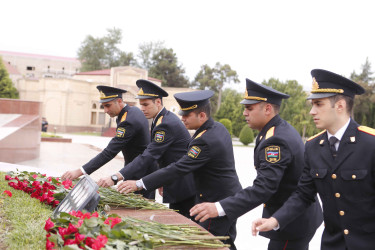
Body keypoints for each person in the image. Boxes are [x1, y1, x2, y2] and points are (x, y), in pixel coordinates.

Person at [190, 79, 323, 250]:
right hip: (295, 216)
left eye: (249, 108)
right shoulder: (275, 131)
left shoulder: (276, 139)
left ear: (267, 109)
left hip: (292, 222)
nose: (245, 113)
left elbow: (264, 187)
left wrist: (219, 207)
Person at [252, 69, 375, 250]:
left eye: (318, 104)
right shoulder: (313, 146)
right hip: (332, 244)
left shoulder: (370, 144)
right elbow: (303, 194)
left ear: (340, 105)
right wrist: (275, 220)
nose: (312, 111)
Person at [117, 90, 242, 249]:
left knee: (207, 244)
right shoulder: (218, 128)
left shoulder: (205, 140)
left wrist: (140, 184)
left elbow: (178, 168)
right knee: (226, 242)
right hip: (229, 197)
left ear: (202, 116)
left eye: (187, 115)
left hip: (215, 202)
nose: (182, 118)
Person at [97, 79, 196, 218]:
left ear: (158, 102)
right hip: (176, 181)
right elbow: (161, 154)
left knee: (187, 223)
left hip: (184, 184)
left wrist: (116, 177)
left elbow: (148, 155)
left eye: (146, 104)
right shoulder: (161, 119)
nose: (142, 108)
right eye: (141, 104)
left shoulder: (166, 124)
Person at [61, 85, 155, 199]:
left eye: (108, 105)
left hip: (140, 173)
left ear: (119, 101)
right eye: (103, 106)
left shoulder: (128, 121)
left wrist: (79, 172)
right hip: (139, 170)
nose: (105, 110)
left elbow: (109, 152)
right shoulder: (132, 111)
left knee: (141, 210)